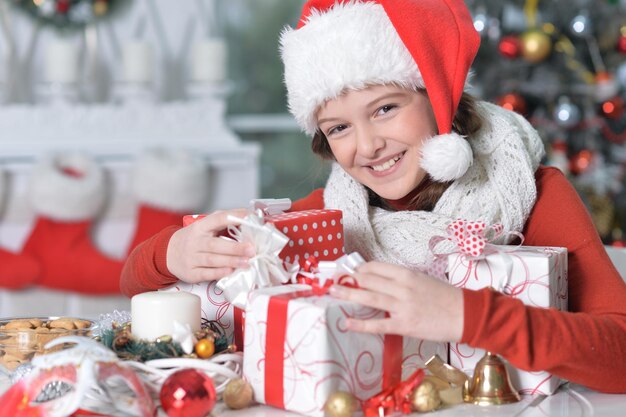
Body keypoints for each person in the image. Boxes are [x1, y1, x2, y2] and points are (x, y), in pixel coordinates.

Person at [121, 0, 626, 393]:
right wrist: (173, 250)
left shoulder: (534, 195)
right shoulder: (334, 215)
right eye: (339, 127)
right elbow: (133, 276)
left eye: (385, 108)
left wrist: (466, 315)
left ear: (439, 94)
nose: (367, 147)